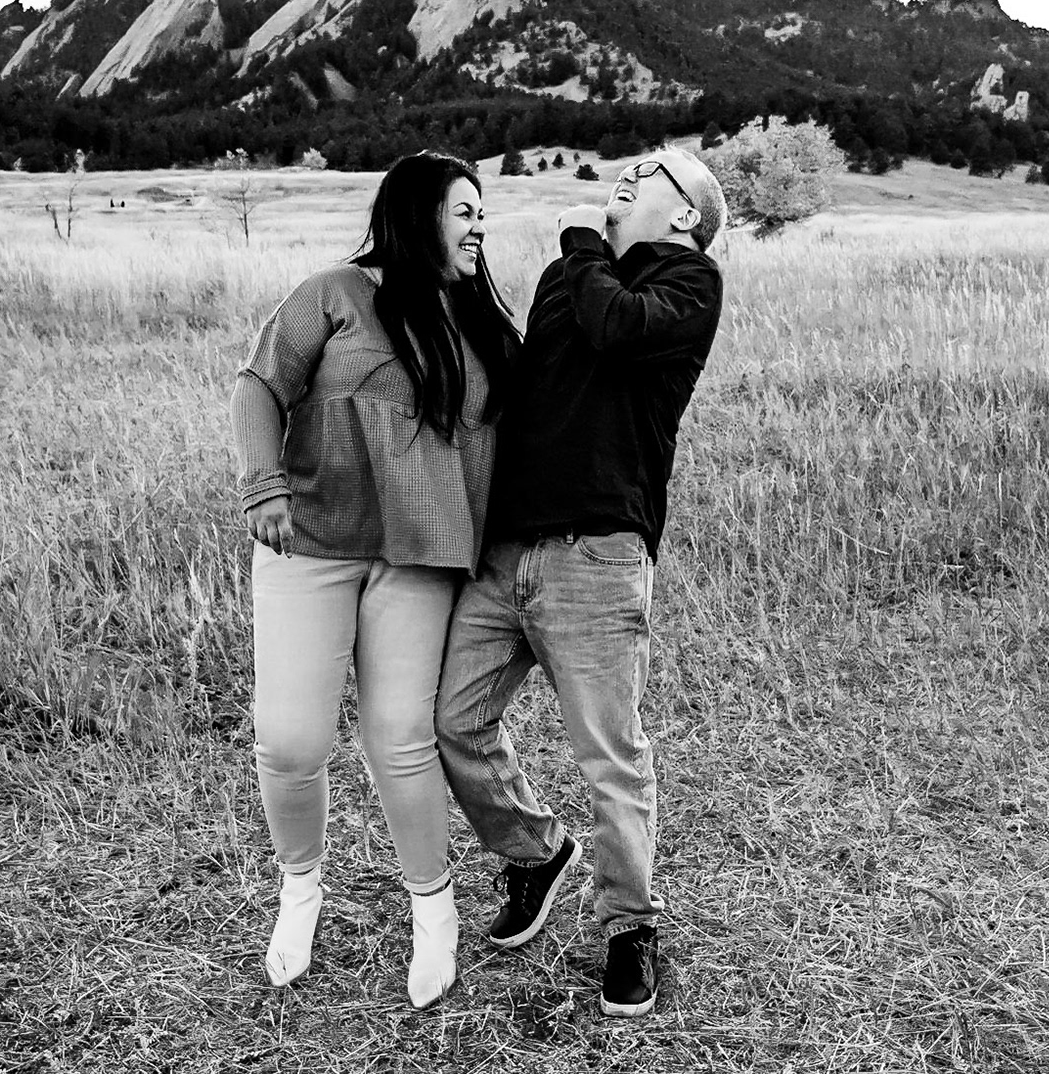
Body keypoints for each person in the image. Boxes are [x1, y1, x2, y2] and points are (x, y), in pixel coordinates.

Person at [436, 148, 727, 1017]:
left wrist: (581, 245)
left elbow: (614, 327)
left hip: (596, 555)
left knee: (610, 754)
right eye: (628, 168)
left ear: (687, 214)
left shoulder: (689, 283)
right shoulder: (572, 273)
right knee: (453, 718)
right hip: (508, 550)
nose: (629, 176)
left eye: (654, 174)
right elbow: (530, 380)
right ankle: (535, 851)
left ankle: (630, 928)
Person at [231, 150, 521, 1007]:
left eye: (483, 212)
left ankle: (434, 910)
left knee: (400, 736)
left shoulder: (483, 321)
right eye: (465, 210)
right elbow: (258, 386)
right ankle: (300, 890)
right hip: (312, 541)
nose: (480, 226)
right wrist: (263, 484)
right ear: (417, 212)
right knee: (290, 739)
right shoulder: (333, 292)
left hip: (418, 555)